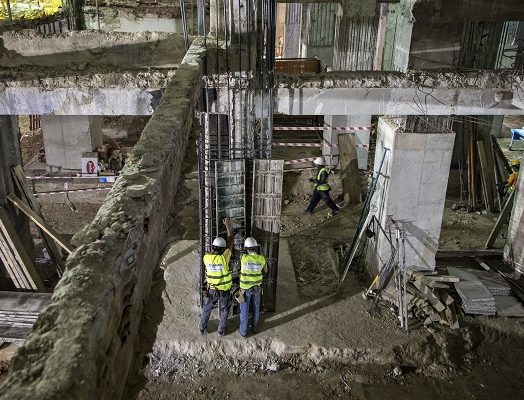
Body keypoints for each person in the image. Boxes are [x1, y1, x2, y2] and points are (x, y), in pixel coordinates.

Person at [199, 218, 234, 336]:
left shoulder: (206, 258)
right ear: (223, 249)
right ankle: (220, 331)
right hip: (224, 290)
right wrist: (228, 226)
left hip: (211, 290)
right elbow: (231, 241)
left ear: (212, 247)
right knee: (224, 310)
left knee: (206, 309)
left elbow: (211, 251)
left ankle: (201, 329)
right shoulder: (224, 258)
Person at [238, 237, 267, 337]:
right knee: (256, 308)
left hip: (245, 289)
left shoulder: (243, 257)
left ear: (246, 248)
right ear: (256, 247)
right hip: (257, 288)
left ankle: (243, 332)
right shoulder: (261, 258)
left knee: (244, 310)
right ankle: (254, 328)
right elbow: (266, 270)